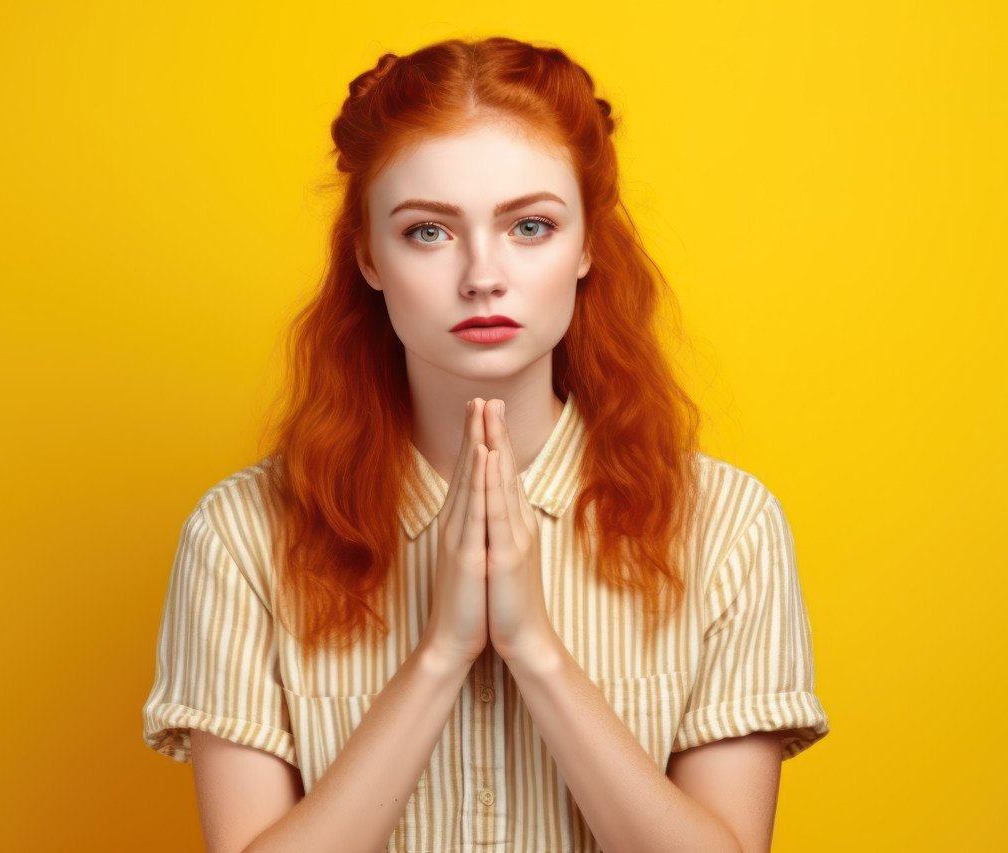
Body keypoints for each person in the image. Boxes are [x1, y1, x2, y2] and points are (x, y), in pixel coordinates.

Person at [142, 36, 830, 853]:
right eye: (428, 231)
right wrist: (439, 653)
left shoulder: (726, 528)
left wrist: (535, 649)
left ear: (586, 248)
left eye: (530, 226)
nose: (482, 275)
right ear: (368, 254)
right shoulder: (243, 535)